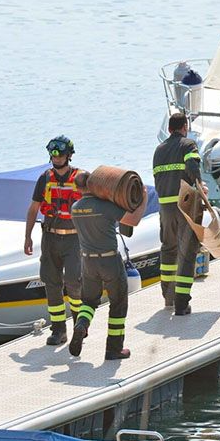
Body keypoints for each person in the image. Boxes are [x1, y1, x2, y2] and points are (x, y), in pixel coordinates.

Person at [69, 172, 148, 359]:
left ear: (78, 189)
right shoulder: (104, 206)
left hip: (88, 262)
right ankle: (114, 349)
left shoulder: (75, 208)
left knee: (88, 302)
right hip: (109, 261)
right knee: (118, 304)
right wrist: (143, 197)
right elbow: (133, 220)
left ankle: (81, 324)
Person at [25, 135, 85, 345]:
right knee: (51, 282)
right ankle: (58, 330)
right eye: (53, 153)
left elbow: (94, 207)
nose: (56, 156)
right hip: (50, 238)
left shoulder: (81, 178)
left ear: (69, 155)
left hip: (73, 240)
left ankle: (80, 325)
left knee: (74, 282)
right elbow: (33, 208)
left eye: (60, 153)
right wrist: (27, 237)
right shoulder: (44, 179)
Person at [153, 112, 203, 315]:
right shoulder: (188, 144)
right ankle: (182, 304)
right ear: (184, 127)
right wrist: (200, 185)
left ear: (169, 128)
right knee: (187, 252)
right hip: (184, 204)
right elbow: (192, 166)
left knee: (168, 250)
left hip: (165, 207)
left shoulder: (159, 149)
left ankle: (168, 297)